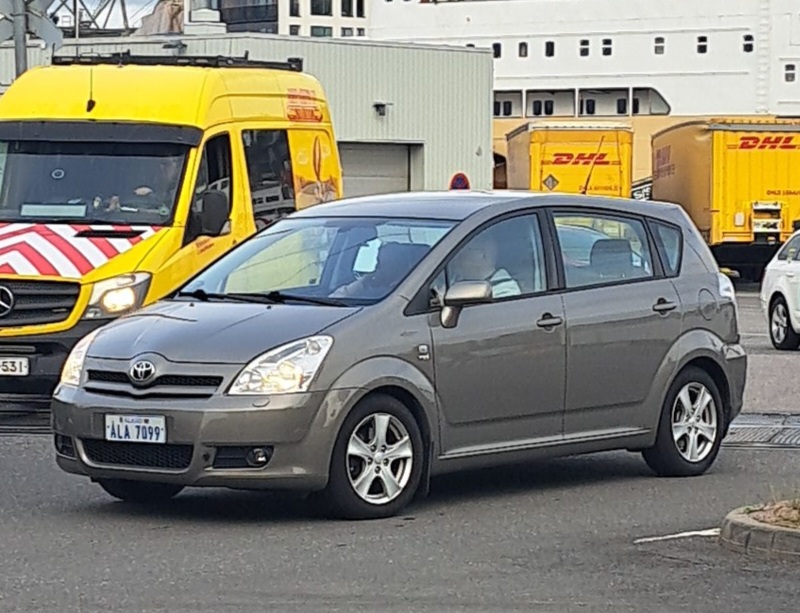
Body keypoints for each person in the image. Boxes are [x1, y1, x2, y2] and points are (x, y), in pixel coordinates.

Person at [448, 231, 521, 298]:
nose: (456, 257)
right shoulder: (451, 278)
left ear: (483, 254)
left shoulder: (505, 290)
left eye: (470, 249)